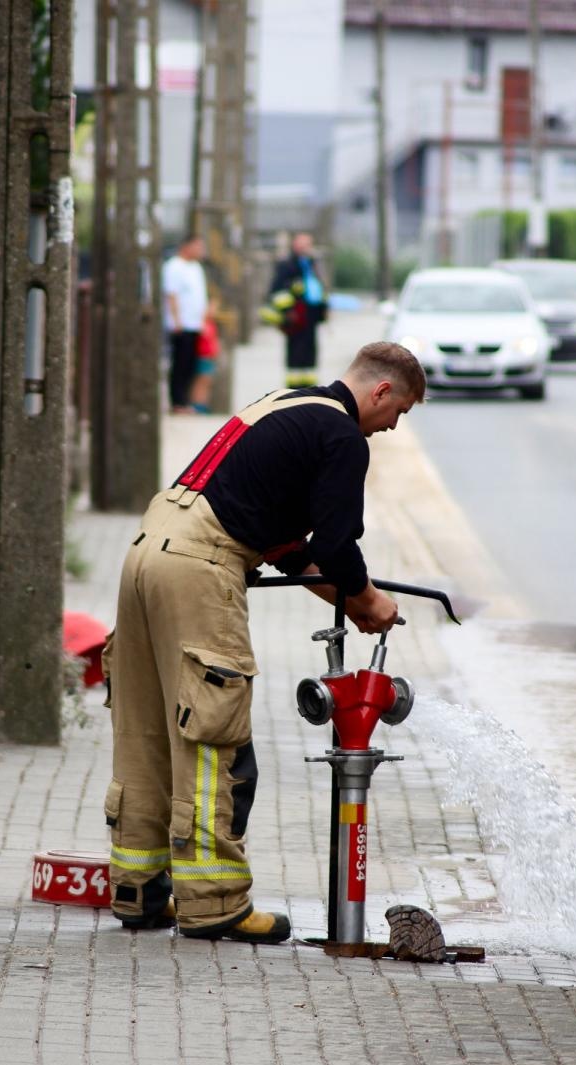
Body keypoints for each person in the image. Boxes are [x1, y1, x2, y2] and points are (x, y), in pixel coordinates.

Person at [102, 341, 426, 945]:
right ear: (381, 391)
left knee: (144, 730)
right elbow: (333, 547)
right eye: (399, 412)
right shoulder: (343, 437)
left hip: (146, 555)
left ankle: (138, 893)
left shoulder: (286, 404)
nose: (391, 427)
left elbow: (289, 550)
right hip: (201, 569)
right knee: (211, 739)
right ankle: (215, 904)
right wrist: (369, 600)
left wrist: (351, 601)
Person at [264, 231, 329, 387]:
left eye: (308, 244)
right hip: (295, 317)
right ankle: (294, 389)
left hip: (311, 314)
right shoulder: (287, 264)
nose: (306, 247)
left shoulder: (311, 263)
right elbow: (277, 291)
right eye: (302, 243)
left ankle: (309, 387)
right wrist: (288, 311)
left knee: (310, 351)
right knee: (296, 352)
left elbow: (318, 288)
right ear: (294, 244)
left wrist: (324, 309)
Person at [162, 234, 208, 411]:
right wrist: (176, 320)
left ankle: (185, 401)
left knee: (190, 365)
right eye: (197, 246)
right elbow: (171, 294)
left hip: (195, 324)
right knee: (179, 365)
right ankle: (177, 402)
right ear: (186, 246)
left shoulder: (196, 267)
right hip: (181, 325)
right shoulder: (174, 267)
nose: (200, 251)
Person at [188, 309, 221, 414]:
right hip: (204, 356)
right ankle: (197, 404)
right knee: (201, 381)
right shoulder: (202, 324)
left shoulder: (211, 324)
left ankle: (202, 404)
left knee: (207, 382)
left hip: (210, 357)